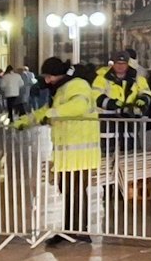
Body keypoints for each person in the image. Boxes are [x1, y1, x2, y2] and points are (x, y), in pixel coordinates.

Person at [14, 57, 100, 242]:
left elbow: (78, 106)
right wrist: (24, 122)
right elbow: (45, 110)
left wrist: (50, 114)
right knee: (67, 190)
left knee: (75, 191)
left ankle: (78, 231)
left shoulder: (77, 85)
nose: (47, 81)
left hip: (80, 150)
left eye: (49, 76)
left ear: (57, 74)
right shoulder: (61, 89)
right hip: (68, 151)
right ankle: (71, 230)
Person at [92, 50, 151, 117]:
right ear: (113, 64)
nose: (120, 66)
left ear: (127, 64)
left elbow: (147, 92)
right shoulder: (102, 78)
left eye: (123, 63)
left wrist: (143, 99)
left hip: (132, 118)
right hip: (108, 117)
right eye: (118, 63)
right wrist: (112, 103)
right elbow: (95, 95)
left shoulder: (138, 78)